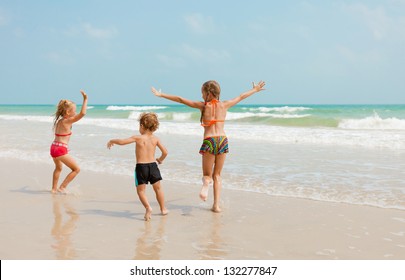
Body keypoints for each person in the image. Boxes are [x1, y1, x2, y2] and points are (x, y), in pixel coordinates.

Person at [151, 80, 266, 213]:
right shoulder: (225, 105)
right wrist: (255, 90)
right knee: (217, 175)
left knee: (207, 175)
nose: (201, 96)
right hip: (222, 140)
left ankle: (206, 183)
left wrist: (161, 95)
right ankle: (216, 205)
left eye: (202, 93)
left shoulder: (203, 106)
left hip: (209, 140)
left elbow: (180, 99)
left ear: (208, 93)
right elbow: (240, 96)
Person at [107, 112, 169, 221]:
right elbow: (165, 152)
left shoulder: (137, 138)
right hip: (153, 166)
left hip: (141, 167)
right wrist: (159, 160)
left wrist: (112, 140)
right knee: (158, 189)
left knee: (141, 191)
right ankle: (163, 209)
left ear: (141, 126)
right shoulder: (156, 139)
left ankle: (148, 207)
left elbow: (122, 142)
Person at [50, 90, 88, 194]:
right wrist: (85, 99)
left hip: (53, 147)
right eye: (74, 111)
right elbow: (83, 113)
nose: (75, 113)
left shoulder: (59, 121)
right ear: (67, 113)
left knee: (58, 168)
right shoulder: (67, 121)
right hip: (60, 149)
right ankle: (62, 187)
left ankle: (54, 189)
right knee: (76, 169)